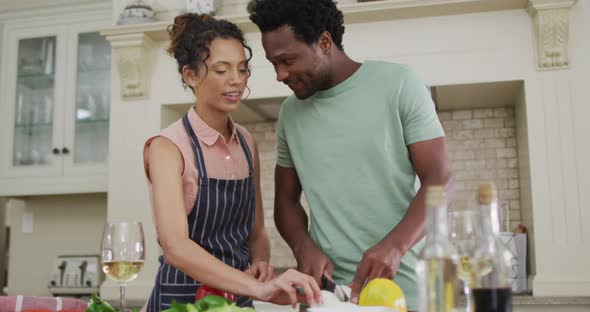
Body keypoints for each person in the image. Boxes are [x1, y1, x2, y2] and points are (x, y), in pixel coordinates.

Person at [248, 0, 451, 310]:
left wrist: (395, 246)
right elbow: (286, 201)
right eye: (273, 63)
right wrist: (303, 247)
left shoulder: (399, 84)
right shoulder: (290, 113)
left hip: (410, 293)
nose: (280, 74)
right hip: (331, 299)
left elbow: (440, 179)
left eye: (287, 60)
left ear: (324, 42)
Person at [143, 13, 321, 311]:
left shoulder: (246, 142)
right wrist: (258, 289)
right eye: (221, 70)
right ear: (190, 76)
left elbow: (256, 233)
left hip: (237, 300)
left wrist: (261, 262)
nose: (236, 80)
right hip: (182, 301)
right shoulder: (168, 147)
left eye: (242, 68)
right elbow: (175, 246)